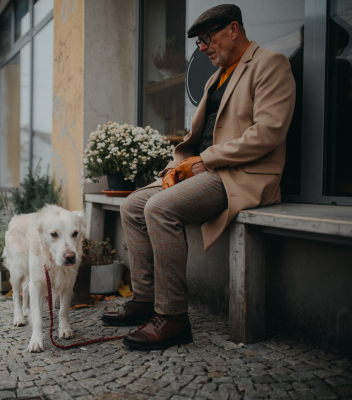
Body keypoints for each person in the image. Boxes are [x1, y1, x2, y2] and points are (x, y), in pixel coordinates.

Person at [101, 4, 296, 351]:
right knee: (132, 205)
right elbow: (200, 137)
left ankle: (173, 318)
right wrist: (182, 166)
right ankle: (145, 301)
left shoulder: (270, 63)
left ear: (233, 29)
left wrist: (203, 161)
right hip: (203, 170)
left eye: (207, 38)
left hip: (240, 175)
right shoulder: (215, 78)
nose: (203, 48)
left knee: (160, 209)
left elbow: (268, 132)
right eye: (200, 43)